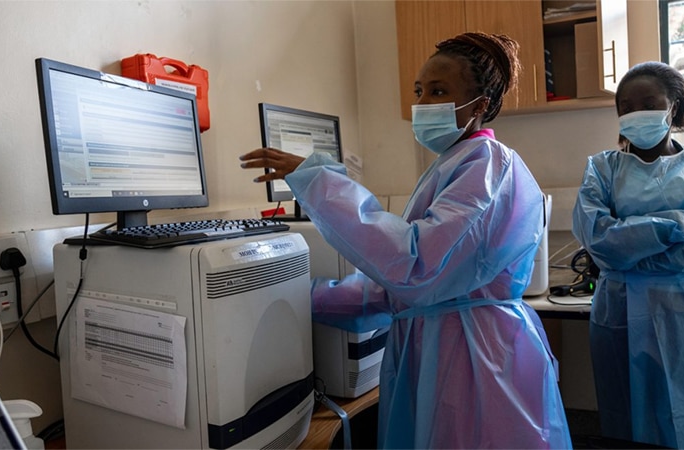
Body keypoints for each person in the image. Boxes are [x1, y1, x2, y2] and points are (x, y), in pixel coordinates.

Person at [241, 32, 571, 449]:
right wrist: (304, 297)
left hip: (475, 359)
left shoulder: (486, 166)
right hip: (441, 348)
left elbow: (417, 265)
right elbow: (396, 287)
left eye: (438, 91)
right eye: (419, 91)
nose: (422, 103)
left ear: (480, 104)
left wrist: (319, 181)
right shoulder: (452, 166)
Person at [572, 61, 684, 449]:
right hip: (621, 311)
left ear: (673, 106)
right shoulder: (601, 168)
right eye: (626, 107)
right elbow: (599, 241)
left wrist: (636, 253)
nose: (635, 113)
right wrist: (678, 223)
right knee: (626, 414)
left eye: (648, 103)